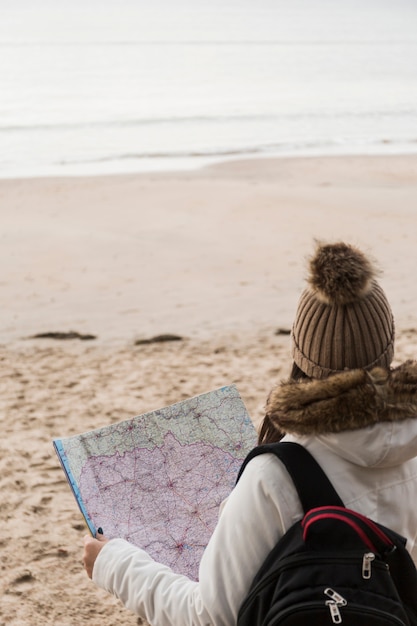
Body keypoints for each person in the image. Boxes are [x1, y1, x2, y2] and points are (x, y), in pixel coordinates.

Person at [83, 241, 417, 626]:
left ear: (301, 353)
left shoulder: (276, 476)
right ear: (388, 347)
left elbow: (209, 618)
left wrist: (114, 565)